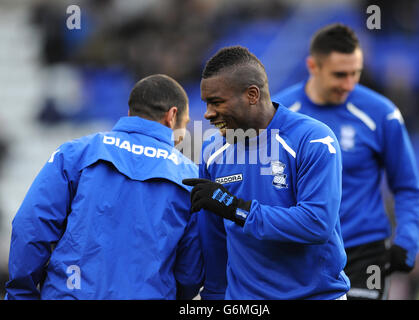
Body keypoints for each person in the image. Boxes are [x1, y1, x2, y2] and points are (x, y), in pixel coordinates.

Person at [5, 74, 204, 300]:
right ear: (172, 116)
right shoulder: (191, 178)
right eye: (185, 125)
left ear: (131, 113)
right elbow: (191, 270)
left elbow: (30, 225)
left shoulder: (76, 153)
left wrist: (21, 294)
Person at [183, 45, 350, 300]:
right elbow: (215, 239)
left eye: (216, 102)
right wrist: (214, 295)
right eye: (206, 103)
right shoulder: (212, 152)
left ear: (252, 95)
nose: (207, 114)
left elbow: (316, 223)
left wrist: (236, 208)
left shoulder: (313, 139)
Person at [273, 23, 419, 300]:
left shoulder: (381, 114)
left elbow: (407, 186)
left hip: (363, 252)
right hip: (299, 250)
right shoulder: (278, 115)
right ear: (313, 66)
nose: (349, 84)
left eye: (355, 73)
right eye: (340, 74)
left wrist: (407, 238)